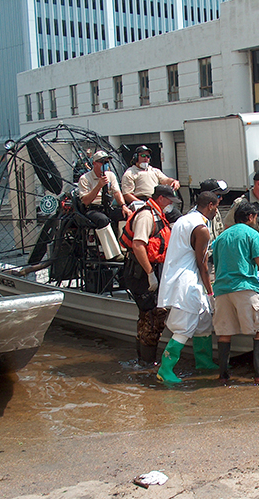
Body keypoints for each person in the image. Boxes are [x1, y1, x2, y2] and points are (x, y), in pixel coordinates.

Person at [213, 202, 259, 384]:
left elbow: (215, 264)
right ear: (251, 217)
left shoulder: (221, 237)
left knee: (225, 331)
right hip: (244, 287)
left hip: (221, 290)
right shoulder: (252, 234)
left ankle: (223, 375)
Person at [156, 191, 220, 384]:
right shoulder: (201, 228)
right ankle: (165, 369)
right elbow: (202, 264)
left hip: (177, 275)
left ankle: (204, 361)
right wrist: (210, 292)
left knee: (203, 321)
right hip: (188, 281)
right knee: (184, 327)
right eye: (216, 207)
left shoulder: (185, 219)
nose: (217, 211)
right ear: (210, 205)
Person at [120, 185, 181, 366]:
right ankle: (147, 363)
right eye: (169, 200)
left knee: (147, 316)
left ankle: (143, 361)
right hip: (141, 272)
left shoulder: (157, 213)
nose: (171, 204)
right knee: (153, 317)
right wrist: (150, 274)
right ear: (161, 198)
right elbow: (139, 245)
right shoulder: (146, 215)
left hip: (148, 270)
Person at [78, 150, 132, 260]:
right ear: (94, 163)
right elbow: (86, 201)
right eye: (102, 162)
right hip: (93, 208)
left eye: (107, 162)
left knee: (126, 215)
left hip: (107, 206)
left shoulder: (110, 175)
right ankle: (114, 254)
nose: (105, 165)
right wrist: (99, 185)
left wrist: (123, 206)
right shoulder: (85, 178)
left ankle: (125, 247)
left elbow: (117, 192)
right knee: (103, 220)